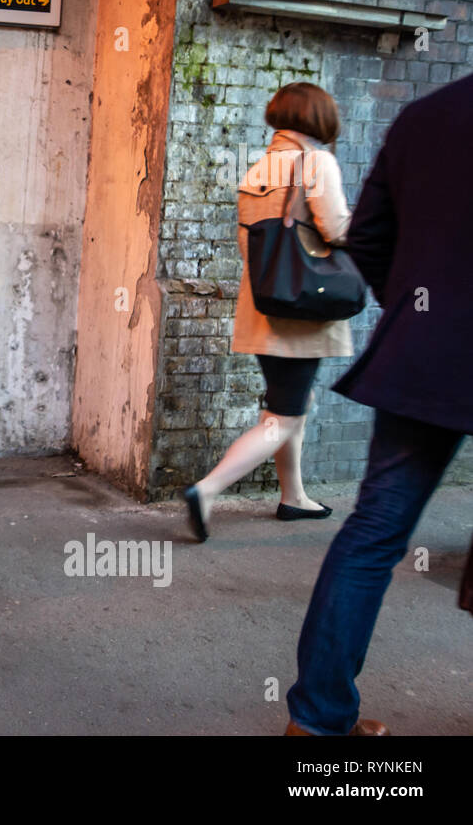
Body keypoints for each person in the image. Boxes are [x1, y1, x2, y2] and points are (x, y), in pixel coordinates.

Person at [284, 72, 473, 736]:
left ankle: (316, 720)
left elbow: (364, 239)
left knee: (373, 532)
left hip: (423, 358)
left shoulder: (425, 116)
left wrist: (425, 311)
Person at [182, 83, 353, 542]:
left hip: (266, 306)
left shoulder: (259, 167)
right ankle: (208, 488)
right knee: (283, 416)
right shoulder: (316, 162)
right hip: (303, 308)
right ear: (319, 118)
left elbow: (250, 247)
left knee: (291, 403)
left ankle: (294, 497)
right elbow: (336, 227)